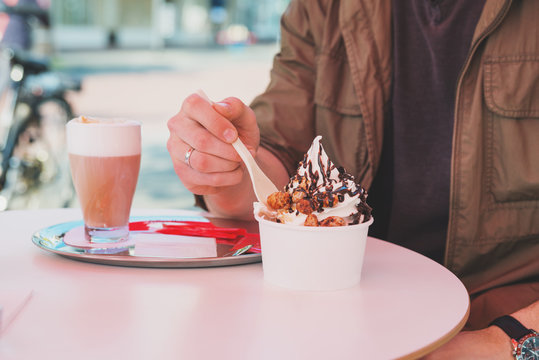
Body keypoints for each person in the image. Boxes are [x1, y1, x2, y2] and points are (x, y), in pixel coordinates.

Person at [167, 0, 539, 358]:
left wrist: (513, 341)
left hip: (502, 316)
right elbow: (278, 162)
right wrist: (225, 169)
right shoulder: (323, 8)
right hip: (344, 314)